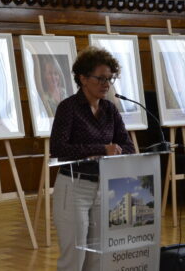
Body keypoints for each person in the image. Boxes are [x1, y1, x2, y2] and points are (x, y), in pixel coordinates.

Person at [50, 46, 135, 271]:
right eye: (100, 78)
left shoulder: (110, 109)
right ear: (83, 78)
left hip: (105, 189)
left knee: (97, 259)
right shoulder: (68, 108)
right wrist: (101, 148)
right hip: (73, 187)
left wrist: (115, 150)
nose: (106, 84)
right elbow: (59, 148)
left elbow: (128, 146)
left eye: (110, 78)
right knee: (74, 258)